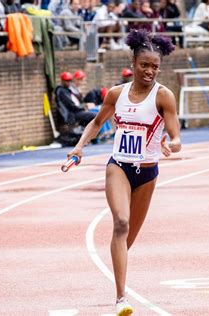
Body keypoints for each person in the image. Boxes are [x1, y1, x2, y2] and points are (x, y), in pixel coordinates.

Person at [67, 29, 181, 315]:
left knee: (127, 239)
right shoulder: (117, 94)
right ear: (133, 63)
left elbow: (174, 132)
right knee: (121, 223)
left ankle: (116, 271)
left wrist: (173, 142)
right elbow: (96, 122)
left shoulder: (164, 96)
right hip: (118, 166)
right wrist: (80, 147)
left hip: (147, 173)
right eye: (145, 65)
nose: (150, 71)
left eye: (155, 66)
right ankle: (121, 299)